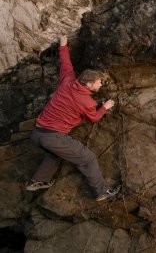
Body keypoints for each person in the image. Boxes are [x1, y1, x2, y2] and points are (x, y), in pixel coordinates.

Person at [26, 35, 121, 202]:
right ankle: (101, 192)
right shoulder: (87, 101)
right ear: (89, 84)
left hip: (37, 133)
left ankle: (38, 180)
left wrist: (63, 46)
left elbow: (65, 63)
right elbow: (93, 118)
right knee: (88, 158)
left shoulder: (68, 80)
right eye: (98, 82)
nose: (101, 85)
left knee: (57, 153)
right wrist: (104, 108)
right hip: (53, 137)